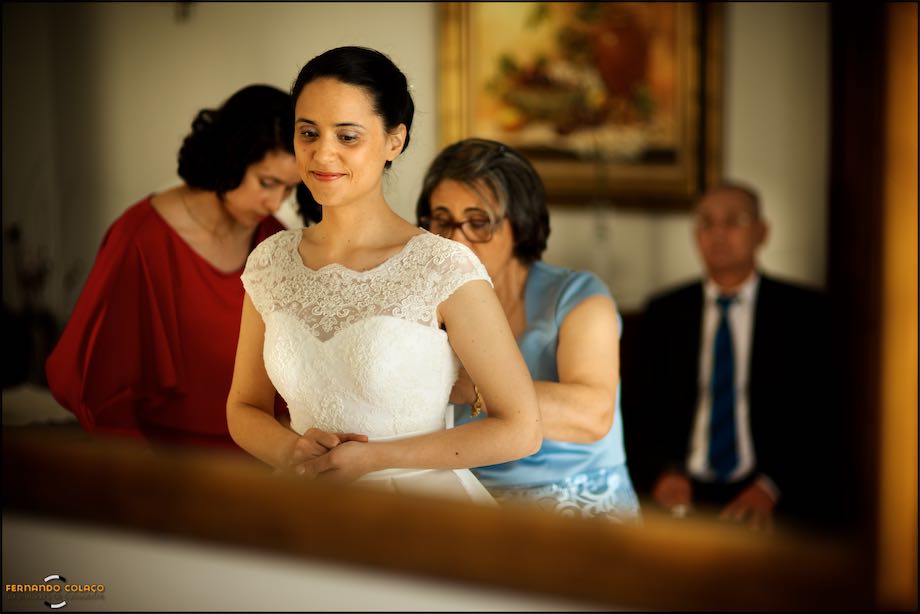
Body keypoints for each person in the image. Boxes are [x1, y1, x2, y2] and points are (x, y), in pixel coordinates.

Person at [227, 47, 541, 504]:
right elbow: (244, 407)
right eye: (308, 133)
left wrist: (374, 459)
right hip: (303, 500)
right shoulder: (270, 262)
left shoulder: (443, 266)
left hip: (419, 509)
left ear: (395, 141)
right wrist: (292, 452)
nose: (323, 153)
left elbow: (521, 428)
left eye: (347, 136)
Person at [46, 84, 312, 449]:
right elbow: (97, 384)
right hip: (162, 458)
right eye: (267, 183)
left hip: (259, 454)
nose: (274, 202)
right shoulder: (140, 239)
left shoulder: (273, 240)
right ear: (230, 157)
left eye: (289, 189)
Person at [415, 138, 641, 522]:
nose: (455, 240)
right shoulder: (421, 302)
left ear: (519, 225)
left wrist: (470, 384)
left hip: (579, 504)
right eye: (442, 220)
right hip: (463, 501)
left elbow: (591, 415)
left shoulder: (578, 296)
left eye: (478, 223)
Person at [625, 182, 832, 533]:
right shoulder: (664, 313)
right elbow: (638, 409)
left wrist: (771, 486)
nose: (718, 234)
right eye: (706, 223)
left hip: (770, 485)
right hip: (683, 485)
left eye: (734, 221)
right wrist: (663, 471)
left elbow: (821, 416)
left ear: (762, 233)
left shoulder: (805, 314)